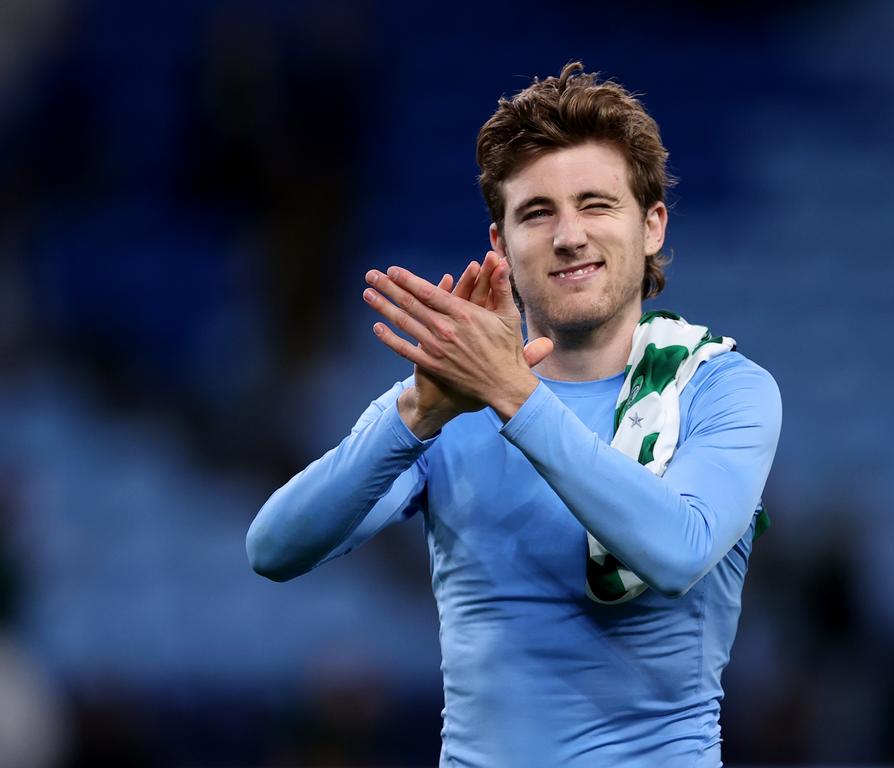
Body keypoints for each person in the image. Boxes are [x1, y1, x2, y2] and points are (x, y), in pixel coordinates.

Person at [247, 61, 782, 767]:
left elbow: (676, 551)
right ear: (499, 242)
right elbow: (275, 549)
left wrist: (512, 395)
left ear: (651, 225)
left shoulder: (720, 389)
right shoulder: (449, 402)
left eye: (597, 204)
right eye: (536, 212)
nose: (568, 236)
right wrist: (414, 412)